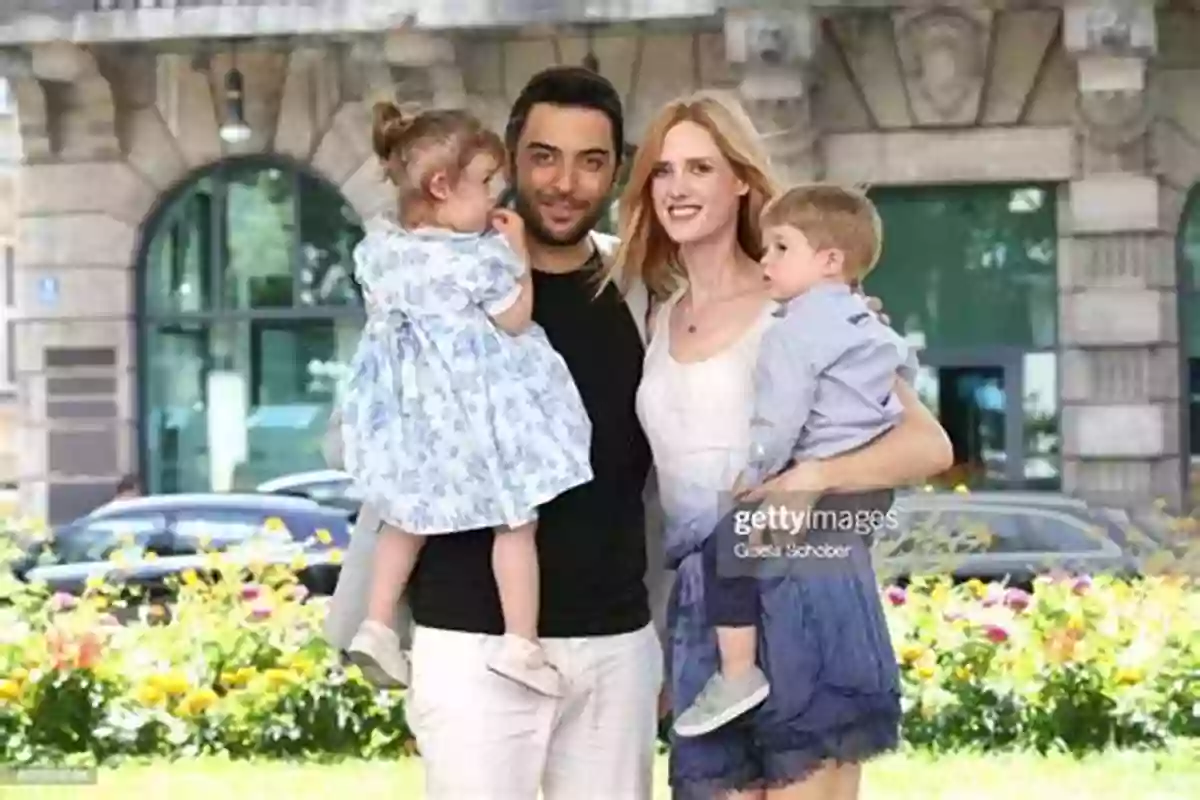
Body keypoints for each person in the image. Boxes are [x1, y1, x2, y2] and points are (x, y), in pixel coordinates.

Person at [325, 67, 947, 799]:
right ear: (509, 159)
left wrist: (837, 328)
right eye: (543, 157)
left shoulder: (645, 287)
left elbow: (900, 436)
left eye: (592, 162)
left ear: (617, 174)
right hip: (475, 642)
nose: (564, 183)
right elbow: (360, 438)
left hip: (627, 643)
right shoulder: (441, 285)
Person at [613, 90, 952, 799]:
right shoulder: (652, 311)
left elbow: (928, 445)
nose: (678, 187)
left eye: (700, 168)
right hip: (705, 601)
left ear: (740, 180)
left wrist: (814, 477)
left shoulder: (801, 309)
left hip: (803, 586)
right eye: (663, 170)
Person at [337, 101, 593, 697]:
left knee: (405, 518)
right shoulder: (477, 258)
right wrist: (520, 258)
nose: (493, 202)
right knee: (516, 521)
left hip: (415, 424)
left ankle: (376, 625)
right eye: (484, 186)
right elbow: (515, 319)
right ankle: (521, 642)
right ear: (441, 186)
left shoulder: (380, 252)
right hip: (482, 421)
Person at [671, 184, 914, 739]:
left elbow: (780, 419)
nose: (766, 261)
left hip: (815, 483)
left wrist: (753, 476)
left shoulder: (793, 332)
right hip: (866, 492)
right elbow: (905, 386)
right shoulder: (871, 325)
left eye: (781, 248)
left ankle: (737, 673)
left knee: (723, 544)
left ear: (829, 261)